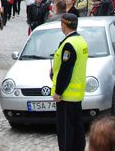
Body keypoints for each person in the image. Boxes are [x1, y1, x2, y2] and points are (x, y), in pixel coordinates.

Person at [51, 13, 88, 151]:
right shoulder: (80, 40)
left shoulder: (69, 44)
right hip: (77, 93)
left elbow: (66, 70)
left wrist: (58, 92)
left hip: (67, 94)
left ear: (63, 25)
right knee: (77, 128)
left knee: (65, 131)